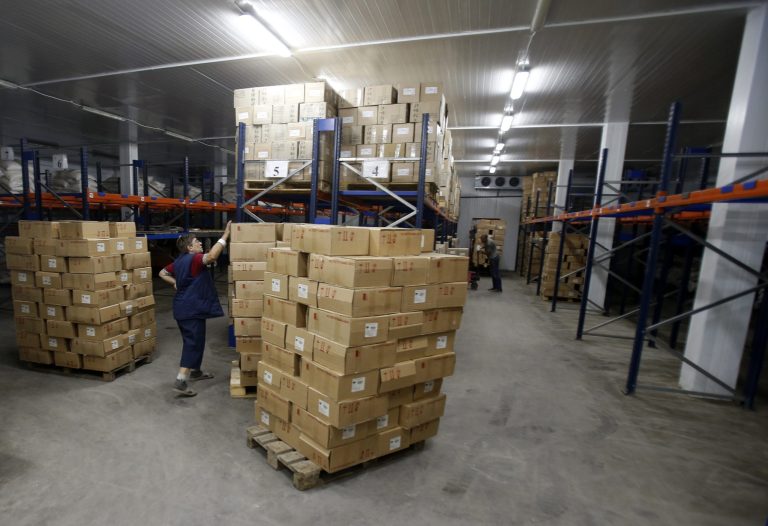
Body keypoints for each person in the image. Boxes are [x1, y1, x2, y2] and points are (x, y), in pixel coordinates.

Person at [159, 221, 231, 396]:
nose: (200, 244)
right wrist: (224, 237)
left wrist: (176, 283)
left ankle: (196, 371)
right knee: (192, 343)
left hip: (184, 308)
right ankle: (181, 380)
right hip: (190, 309)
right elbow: (212, 256)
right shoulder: (195, 259)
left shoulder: (180, 261)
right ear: (190, 248)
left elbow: (162, 272)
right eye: (197, 242)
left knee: (195, 340)